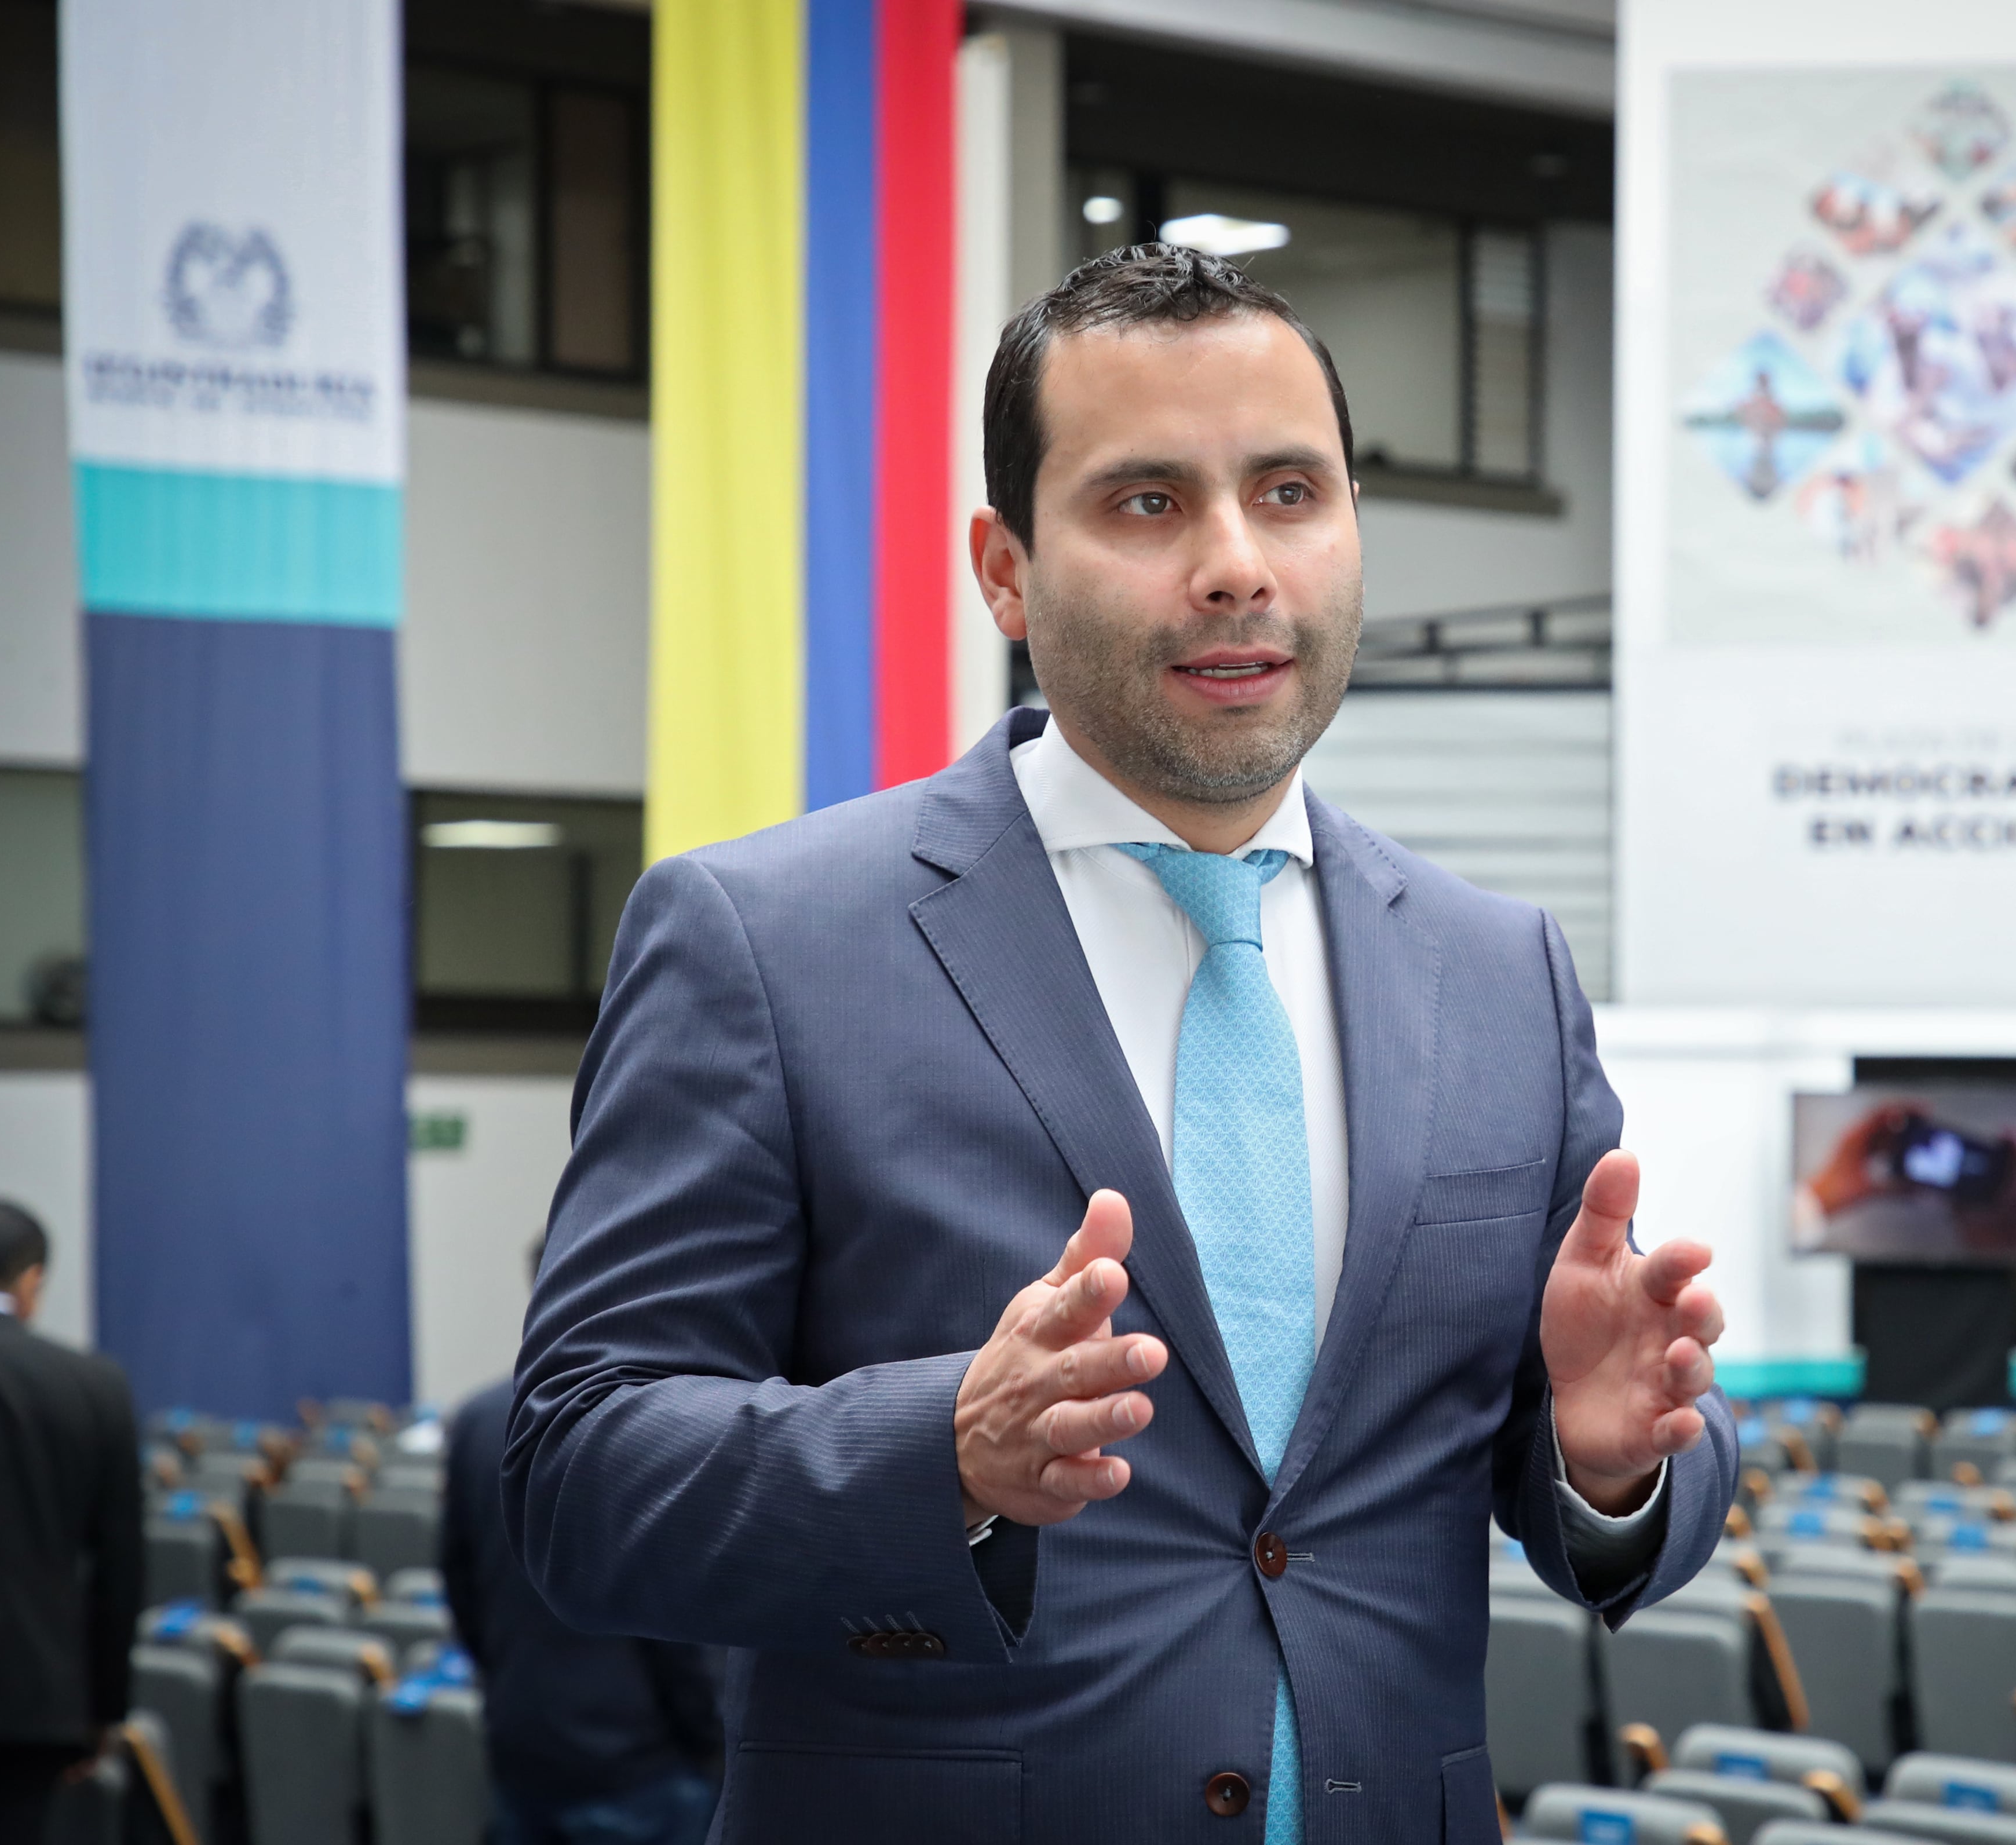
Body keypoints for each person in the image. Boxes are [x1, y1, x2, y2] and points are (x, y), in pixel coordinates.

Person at [505, 244, 1736, 1843]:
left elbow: (1600, 1452)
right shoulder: (767, 942)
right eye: (1148, 503)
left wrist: (1609, 1467)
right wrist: (941, 1448)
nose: (1237, 564)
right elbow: (581, 1474)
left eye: (1291, 492)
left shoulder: (1501, 971)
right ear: (1004, 569)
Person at [442, 1242, 722, 1845]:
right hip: (638, 1768)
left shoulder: (477, 1420)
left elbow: (462, 1591)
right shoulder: (646, 1430)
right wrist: (707, 1744)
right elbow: (674, 1629)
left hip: (520, 1747)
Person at [0, 1199, 141, 1845]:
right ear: (31, 1282)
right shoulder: (93, 1384)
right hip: (34, 1699)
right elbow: (119, 1565)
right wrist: (104, 1709)